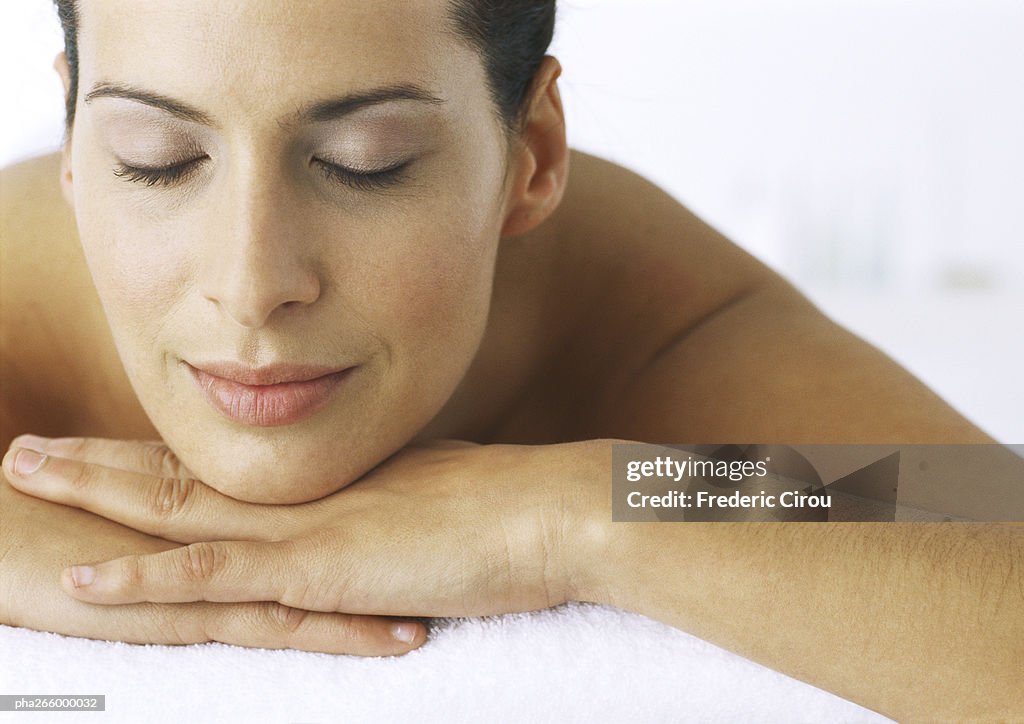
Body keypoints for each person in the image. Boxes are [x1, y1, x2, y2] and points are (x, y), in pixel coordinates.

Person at [0, 0, 1019, 720]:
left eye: (367, 163)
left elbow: (970, 514)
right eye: (157, 158)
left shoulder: (630, 309)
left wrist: (569, 511)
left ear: (529, 152)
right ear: (77, 145)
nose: (251, 279)